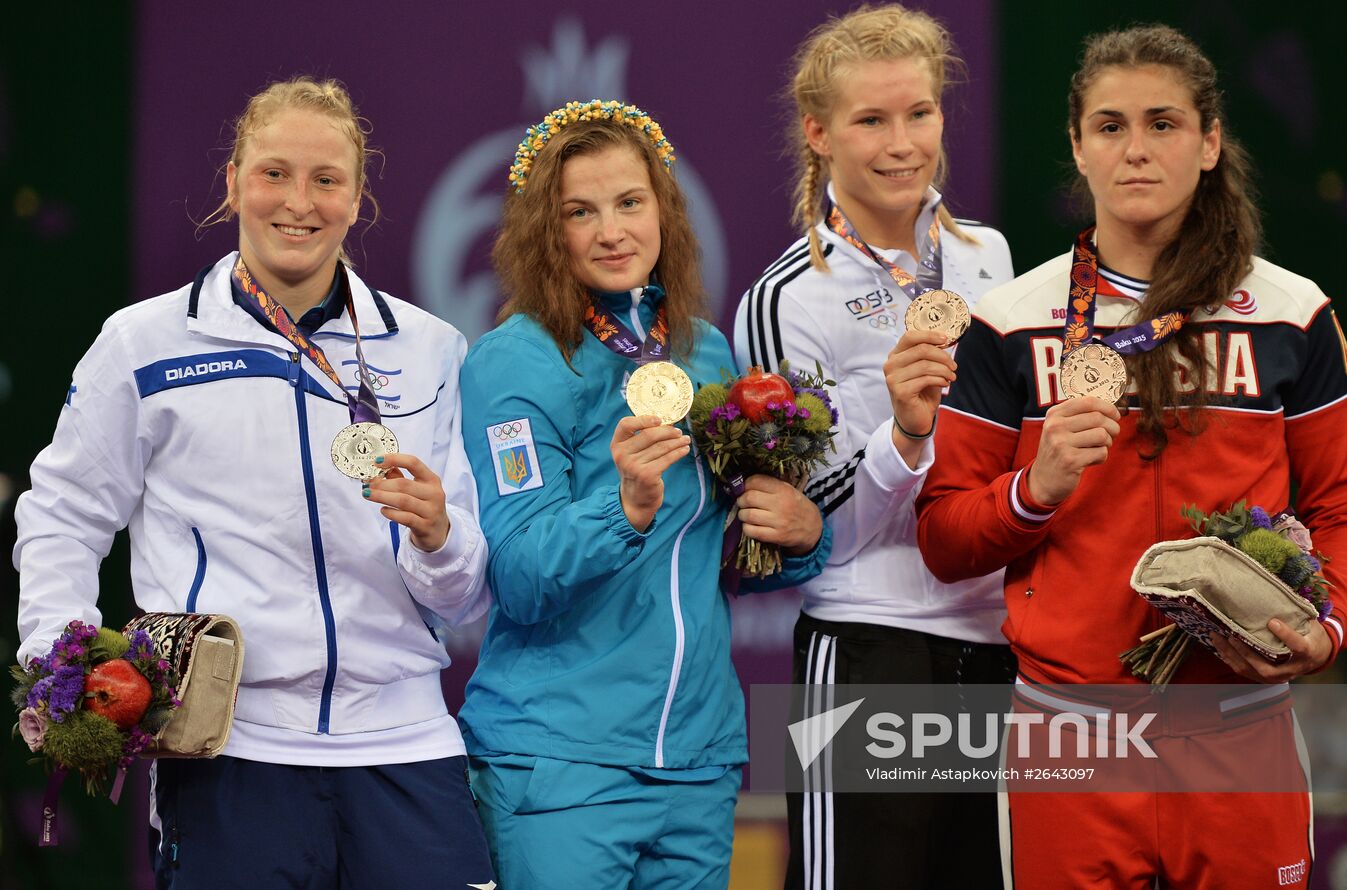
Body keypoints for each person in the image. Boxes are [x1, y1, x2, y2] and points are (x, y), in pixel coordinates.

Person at [916, 25, 1347, 888]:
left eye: (1163, 124)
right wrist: (1034, 489)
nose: (1136, 150)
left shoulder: (1292, 312)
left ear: (1210, 143)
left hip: (1240, 729)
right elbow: (945, 538)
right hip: (1072, 736)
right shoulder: (1012, 323)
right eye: (1111, 126)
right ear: (1077, 146)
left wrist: (1325, 631)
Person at [13, 77, 496, 889]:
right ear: (233, 178)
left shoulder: (430, 348)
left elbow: (464, 596)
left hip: (405, 744)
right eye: (273, 172)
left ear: (358, 196)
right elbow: (65, 513)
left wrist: (440, 537)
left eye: (325, 179)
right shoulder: (145, 343)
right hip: (230, 749)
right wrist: (62, 661)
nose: (297, 202)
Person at [460, 99, 832, 889]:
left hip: (696, 761)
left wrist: (800, 536)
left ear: (664, 209)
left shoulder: (703, 350)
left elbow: (725, 558)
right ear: (543, 230)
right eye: (579, 212)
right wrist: (623, 507)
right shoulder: (515, 362)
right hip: (560, 759)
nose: (612, 230)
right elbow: (520, 575)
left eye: (630, 202)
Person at [733, 5, 1015, 887]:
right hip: (866, 645)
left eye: (920, 113)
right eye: (871, 120)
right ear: (819, 133)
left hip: (1001, 643)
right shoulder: (790, 299)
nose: (903, 143)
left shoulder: (989, 258)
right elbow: (804, 531)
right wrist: (903, 433)